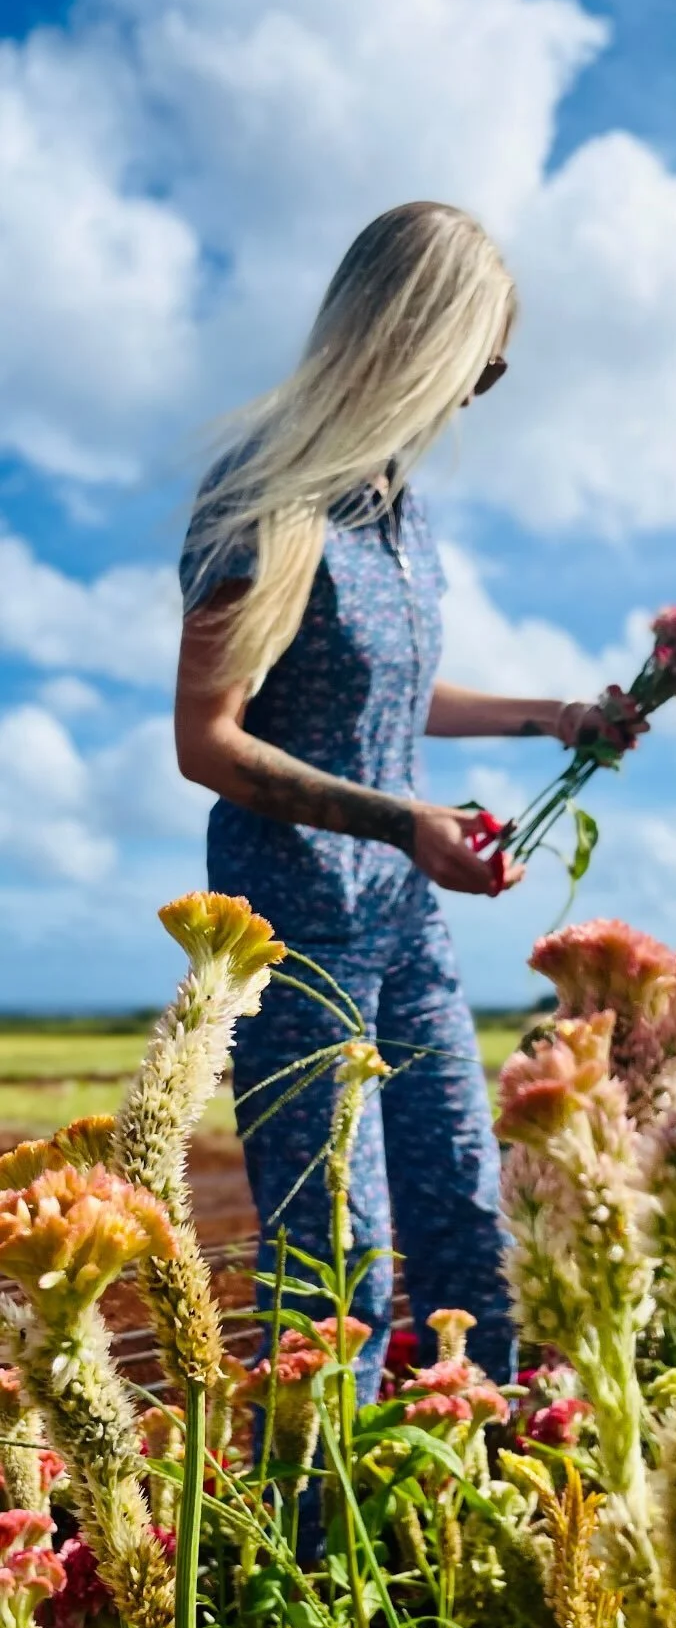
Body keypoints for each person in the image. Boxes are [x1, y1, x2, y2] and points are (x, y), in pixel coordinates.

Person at [174, 200, 641, 1441]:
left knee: (466, 1237)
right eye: (479, 355)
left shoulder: (400, 508)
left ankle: (462, 1525)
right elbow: (206, 737)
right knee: (343, 1271)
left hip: (404, 928)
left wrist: (553, 714)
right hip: (295, 937)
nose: (486, 386)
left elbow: (382, 682)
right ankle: (330, 1577)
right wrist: (403, 819)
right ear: (416, 331)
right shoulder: (265, 491)